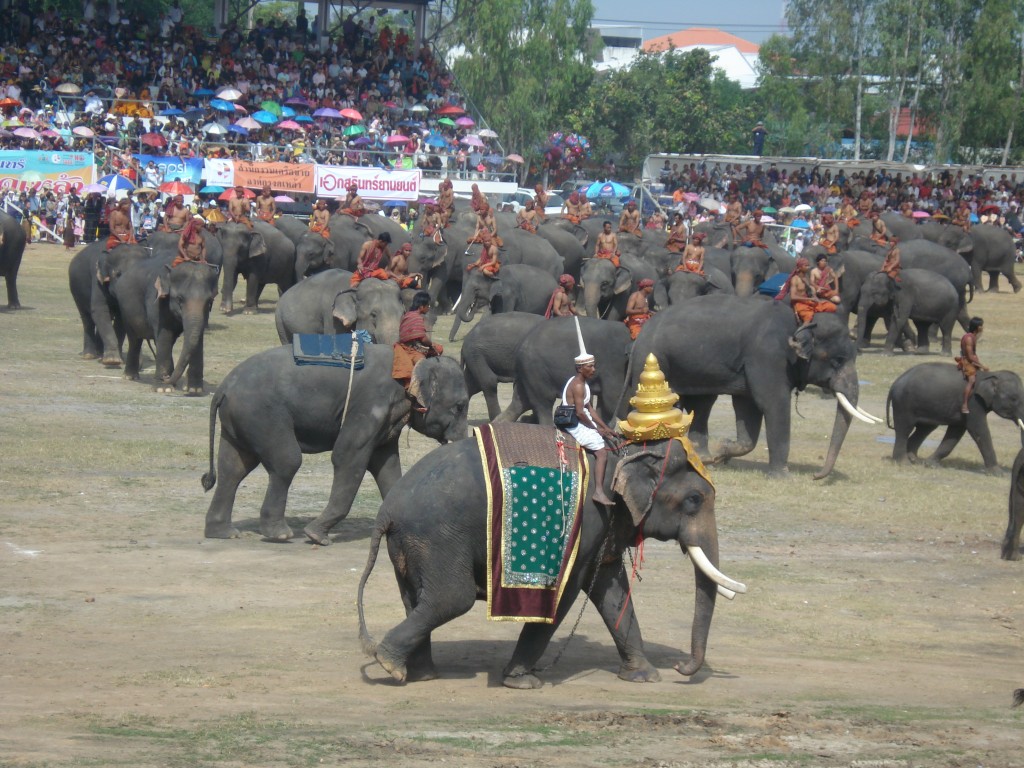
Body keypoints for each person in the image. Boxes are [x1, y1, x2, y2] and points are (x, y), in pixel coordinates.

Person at [561, 350, 617, 506]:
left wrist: (606, 427)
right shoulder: (578, 385)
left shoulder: (583, 383)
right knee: (601, 452)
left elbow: (589, 409)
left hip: (582, 419)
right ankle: (598, 491)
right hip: (574, 422)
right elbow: (580, 413)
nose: (593, 370)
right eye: (590, 367)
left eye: (594, 366)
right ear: (580, 369)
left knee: (604, 435)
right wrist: (596, 429)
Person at [391, 291, 442, 387]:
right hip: (410, 349)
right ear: (421, 307)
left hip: (412, 344)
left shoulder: (408, 315)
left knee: (439, 348)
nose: (429, 308)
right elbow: (423, 339)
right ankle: (416, 388)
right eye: (428, 306)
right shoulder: (416, 317)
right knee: (422, 364)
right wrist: (431, 344)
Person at [778, 257, 837, 326]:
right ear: (800, 267)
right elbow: (793, 297)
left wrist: (816, 298)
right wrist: (810, 299)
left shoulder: (806, 278)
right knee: (808, 317)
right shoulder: (795, 279)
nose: (808, 267)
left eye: (808, 265)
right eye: (806, 266)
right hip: (799, 303)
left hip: (809, 302)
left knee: (832, 307)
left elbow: (810, 291)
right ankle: (801, 333)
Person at [956, 317, 988, 414]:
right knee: (972, 380)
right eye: (981, 326)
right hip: (968, 362)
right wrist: (982, 366)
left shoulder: (972, 336)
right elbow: (970, 356)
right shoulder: (969, 339)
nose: (982, 328)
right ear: (977, 327)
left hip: (972, 361)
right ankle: (964, 404)